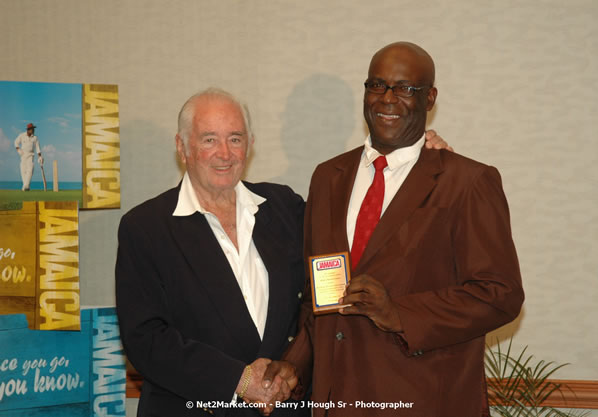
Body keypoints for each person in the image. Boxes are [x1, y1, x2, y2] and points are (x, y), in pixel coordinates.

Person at [115, 87, 452, 416]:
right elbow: (145, 339)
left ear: (250, 145)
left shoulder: (283, 208)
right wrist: (238, 380)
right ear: (181, 146)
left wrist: (414, 166)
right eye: (208, 140)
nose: (225, 153)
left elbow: (356, 246)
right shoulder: (145, 228)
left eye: (235, 139)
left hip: (287, 407)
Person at [267, 42, 525, 417]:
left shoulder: (467, 181)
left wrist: (400, 313)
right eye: (377, 85)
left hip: (423, 401)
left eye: (405, 88)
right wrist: (294, 364)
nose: (387, 99)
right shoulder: (328, 177)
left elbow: (500, 295)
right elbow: (321, 293)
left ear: (430, 98)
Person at [14, 123, 43, 191]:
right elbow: (16, 142)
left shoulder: (35, 138)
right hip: (23, 155)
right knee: (23, 171)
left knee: (30, 169)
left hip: (31, 155)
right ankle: (26, 187)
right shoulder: (22, 135)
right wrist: (18, 149)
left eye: (33, 129)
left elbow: (37, 147)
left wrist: (40, 157)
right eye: (32, 129)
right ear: (28, 129)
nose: (33, 130)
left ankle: (26, 185)